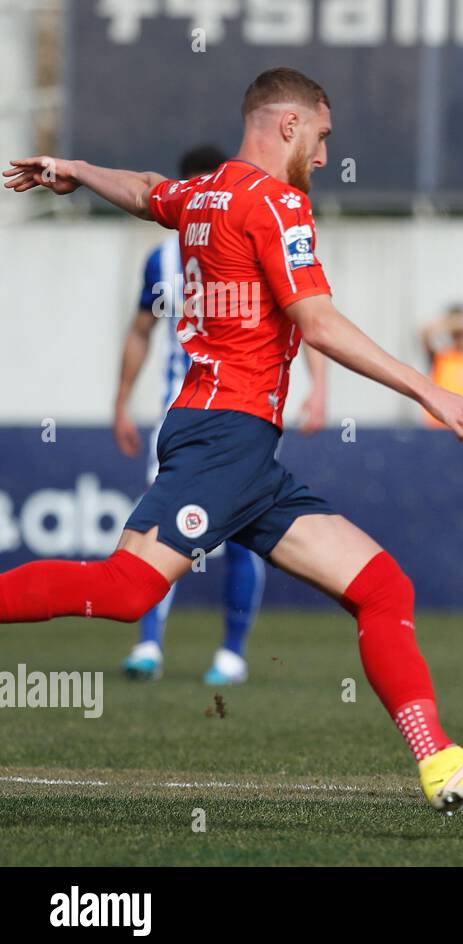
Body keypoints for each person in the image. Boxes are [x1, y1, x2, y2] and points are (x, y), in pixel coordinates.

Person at [2, 66, 463, 810]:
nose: (325, 156)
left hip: (242, 449)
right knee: (127, 592)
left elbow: (144, 189)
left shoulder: (205, 193)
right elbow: (317, 322)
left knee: (383, 586)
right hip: (224, 436)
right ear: (288, 124)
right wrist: (430, 388)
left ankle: (439, 762)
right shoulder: (279, 204)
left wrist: (75, 170)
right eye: (322, 137)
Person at [113, 143, 329, 686]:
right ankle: (148, 646)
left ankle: (231, 653)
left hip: (247, 413)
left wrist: (320, 387)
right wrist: (120, 402)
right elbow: (140, 331)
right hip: (181, 415)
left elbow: (310, 314)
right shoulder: (163, 259)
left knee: (240, 529)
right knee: (156, 532)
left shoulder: (258, 228)